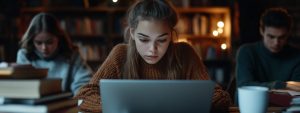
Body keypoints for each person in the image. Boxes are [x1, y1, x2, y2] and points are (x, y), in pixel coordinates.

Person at [75, 0, 231, 112]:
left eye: (162, 40)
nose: (152, 49)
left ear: (171, 34)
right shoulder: (120, 54)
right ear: (132, 33)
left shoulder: (185, 53)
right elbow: (84, 95)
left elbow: (220, 97)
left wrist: (183, 106)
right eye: (144, 39)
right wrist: (119, 108)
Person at [17, 13, 93, 95]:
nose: (44, 48)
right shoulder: (25, 55)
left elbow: (84, 82)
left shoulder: (72, 54)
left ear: (59, 38)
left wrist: (81, 98)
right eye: (38, 43)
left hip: (65, 104)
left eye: (49, 42)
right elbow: (24, 87)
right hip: (33, 104)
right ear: (32, 40)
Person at [236, 8, 300, 92]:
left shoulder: (296, 56)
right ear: (261, 31)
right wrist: (281, 85)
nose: (276, 42)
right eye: (271, 36)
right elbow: (244, 86)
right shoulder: (247, 52)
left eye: (281, 37)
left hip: (287, 105)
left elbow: (297, 92)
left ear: (288, 34)